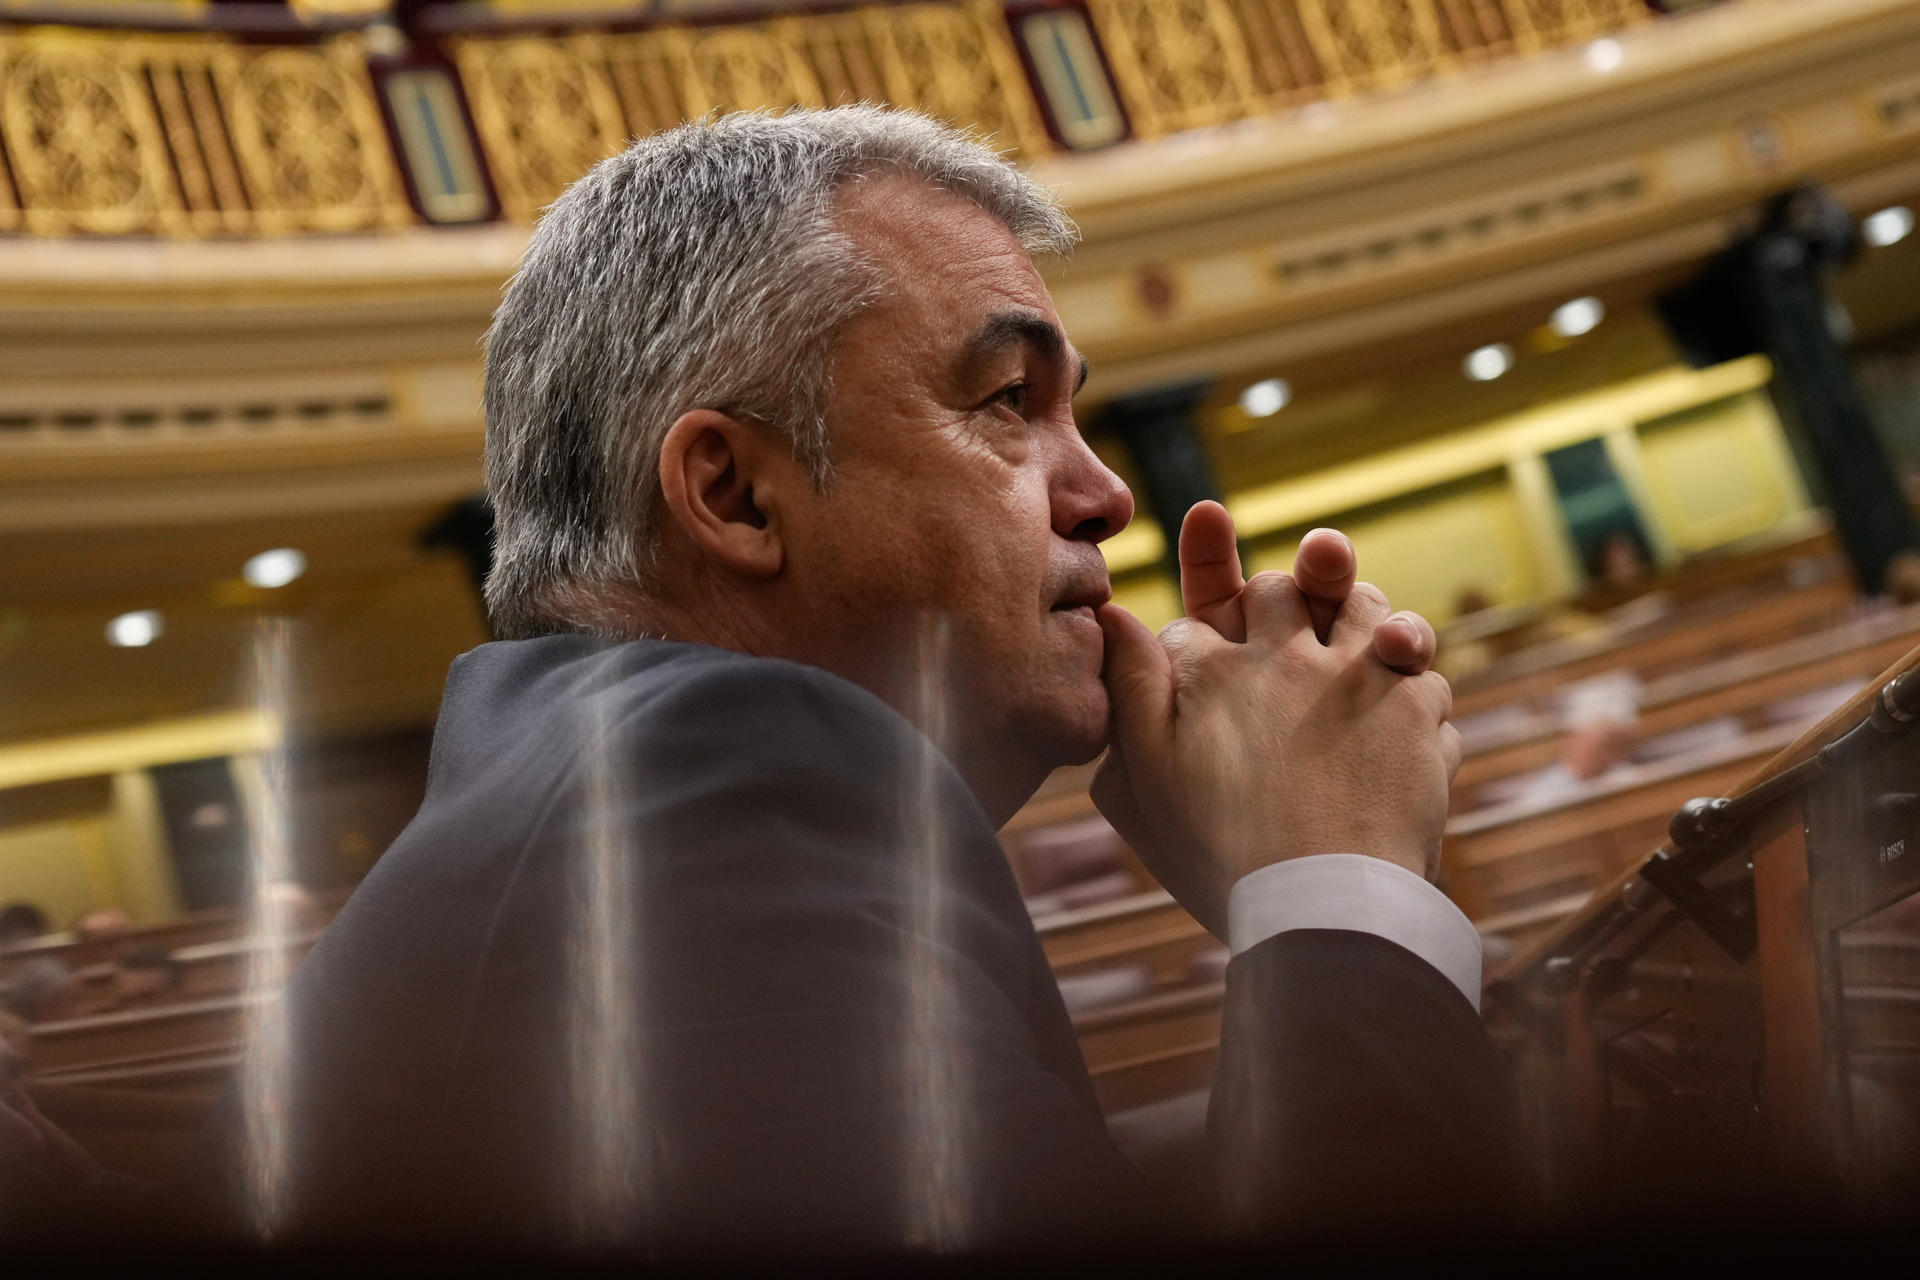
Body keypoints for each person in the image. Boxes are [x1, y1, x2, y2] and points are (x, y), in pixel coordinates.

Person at [171, 107, 1512, 1257]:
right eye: (1003, 403)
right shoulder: (710, 788)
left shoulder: (598, 782)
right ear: (735, 493)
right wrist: (1341, 885)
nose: (1105, 494)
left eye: (1077, 417)